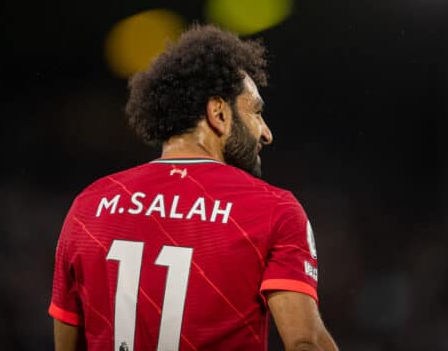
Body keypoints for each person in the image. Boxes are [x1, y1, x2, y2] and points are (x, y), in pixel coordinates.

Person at [49, 25, 338, 351]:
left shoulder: (89, 204)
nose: (266, 133)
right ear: (218, 113)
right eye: (256, 112)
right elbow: (306, 343)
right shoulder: (273, 210)